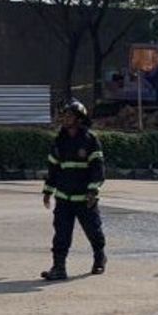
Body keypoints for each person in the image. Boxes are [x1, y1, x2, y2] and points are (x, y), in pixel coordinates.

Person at [40, 100, 107, 281]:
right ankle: (59, 268)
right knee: (61, 234)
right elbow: (53, 168)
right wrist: (47, 191)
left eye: (69, 115)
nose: (65, 119)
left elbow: (97, 169)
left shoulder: (90, 140)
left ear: (79, 118)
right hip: (63, 197)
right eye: (64, 115)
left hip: (84, 198)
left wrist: (93, 191)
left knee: (93, 230)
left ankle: (99, 257)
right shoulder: (59, 141)